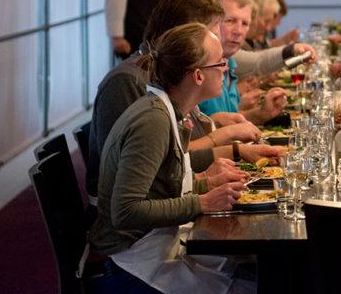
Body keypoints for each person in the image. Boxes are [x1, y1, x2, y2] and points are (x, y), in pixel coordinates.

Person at [90, 23, 255, 293]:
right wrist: (202, 201)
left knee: (248, 273)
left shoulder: (169, 110)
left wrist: (209, 185)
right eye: (220, 62)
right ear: (198, 76)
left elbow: (162, 184)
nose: (226, 67)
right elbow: (125, 211)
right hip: (133, 263)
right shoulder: (153, 120)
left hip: (155, 247)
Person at [88, 0, 282, 216]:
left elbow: (170, 162)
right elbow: (129, 198)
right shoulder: (132, 83)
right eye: (211, 34)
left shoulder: (171, 84)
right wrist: (202, 198)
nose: (220, 40)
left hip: (167, 199)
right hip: (135, 232)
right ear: (183, 37)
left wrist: (233, 154)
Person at [199, 0, 316, 126]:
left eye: (245, 23)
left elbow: (227, 121)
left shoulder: (229, 63)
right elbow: (190, 143)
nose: (238, 31)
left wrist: (261, 114)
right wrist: (291, 49)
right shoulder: (202, 68)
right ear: (210, 21)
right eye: (230, 21)